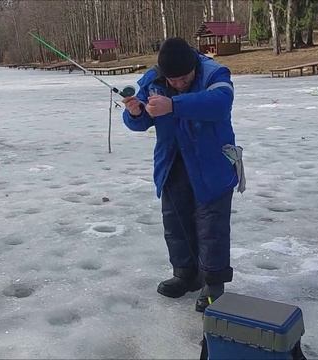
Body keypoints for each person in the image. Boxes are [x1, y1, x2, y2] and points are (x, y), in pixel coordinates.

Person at [122, 37, 242, 312]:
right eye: (172, 80)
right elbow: (138, 122)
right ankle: (185, 274)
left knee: (211, 226)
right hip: (173, 162)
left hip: (211, 163)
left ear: (193, 68)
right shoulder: (153, 79)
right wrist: (136, 113)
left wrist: (174, 105)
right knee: (175, 223)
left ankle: (213, 283)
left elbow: (220, 103)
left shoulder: (214, 73)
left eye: (183, 78)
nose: (178, 83)